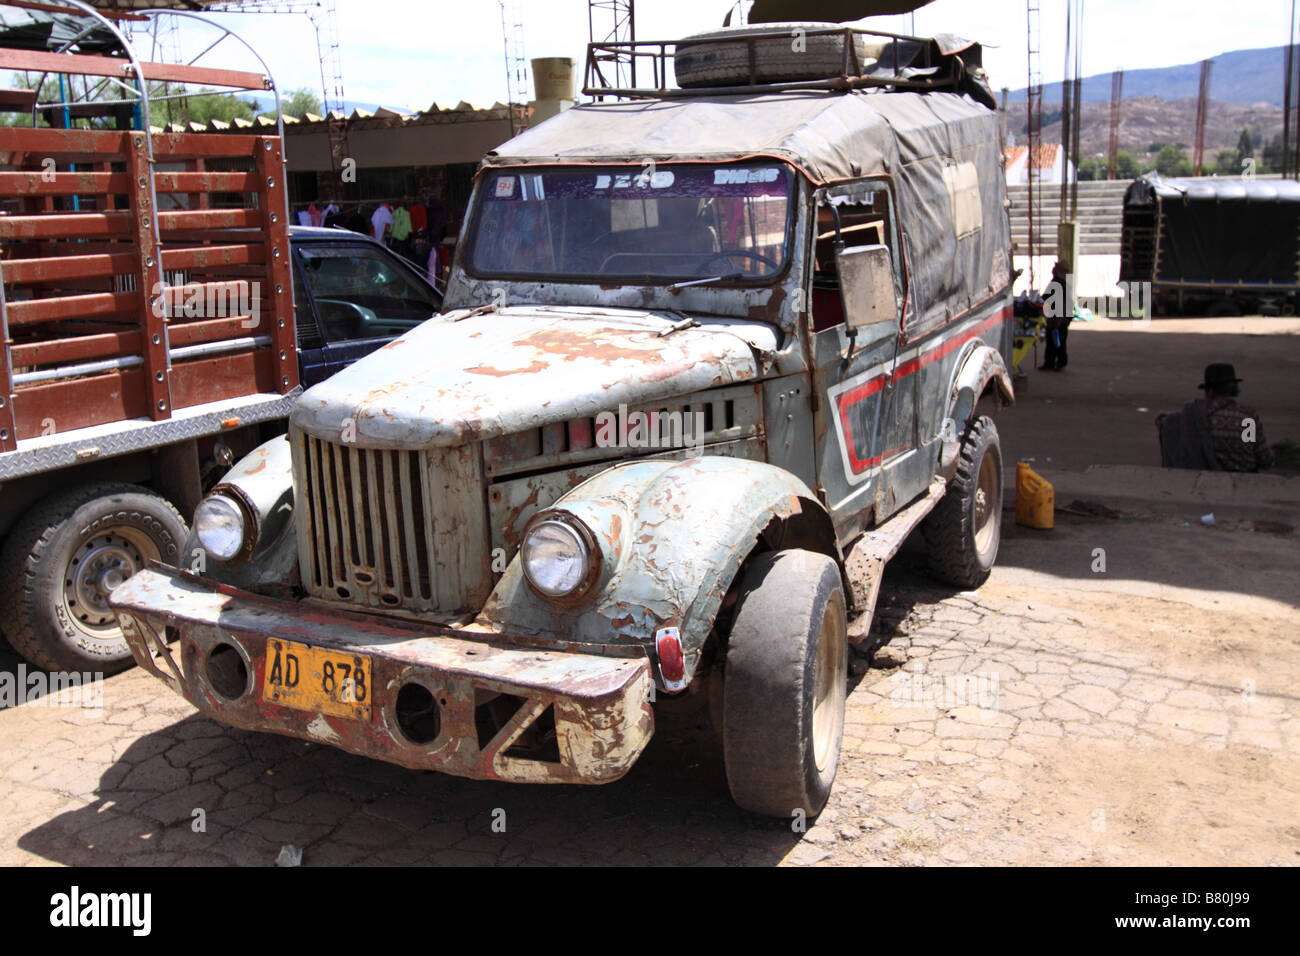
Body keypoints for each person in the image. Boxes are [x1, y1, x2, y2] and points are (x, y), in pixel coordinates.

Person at [1157, 363, 1274, 472]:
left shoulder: (1195, 416)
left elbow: (1165, 423)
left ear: (1210, 391)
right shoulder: (1247, 418)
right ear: (1233, 389)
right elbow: (1264, 459)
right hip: (1244, 482)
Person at [1039, 259, 1071, 371]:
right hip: (1056, 318)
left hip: (1058, 319)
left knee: (1058, 342)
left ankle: (1058, 362)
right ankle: (1051, 362)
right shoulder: (1059, 284)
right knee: (1053, 341)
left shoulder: (1059, 285)